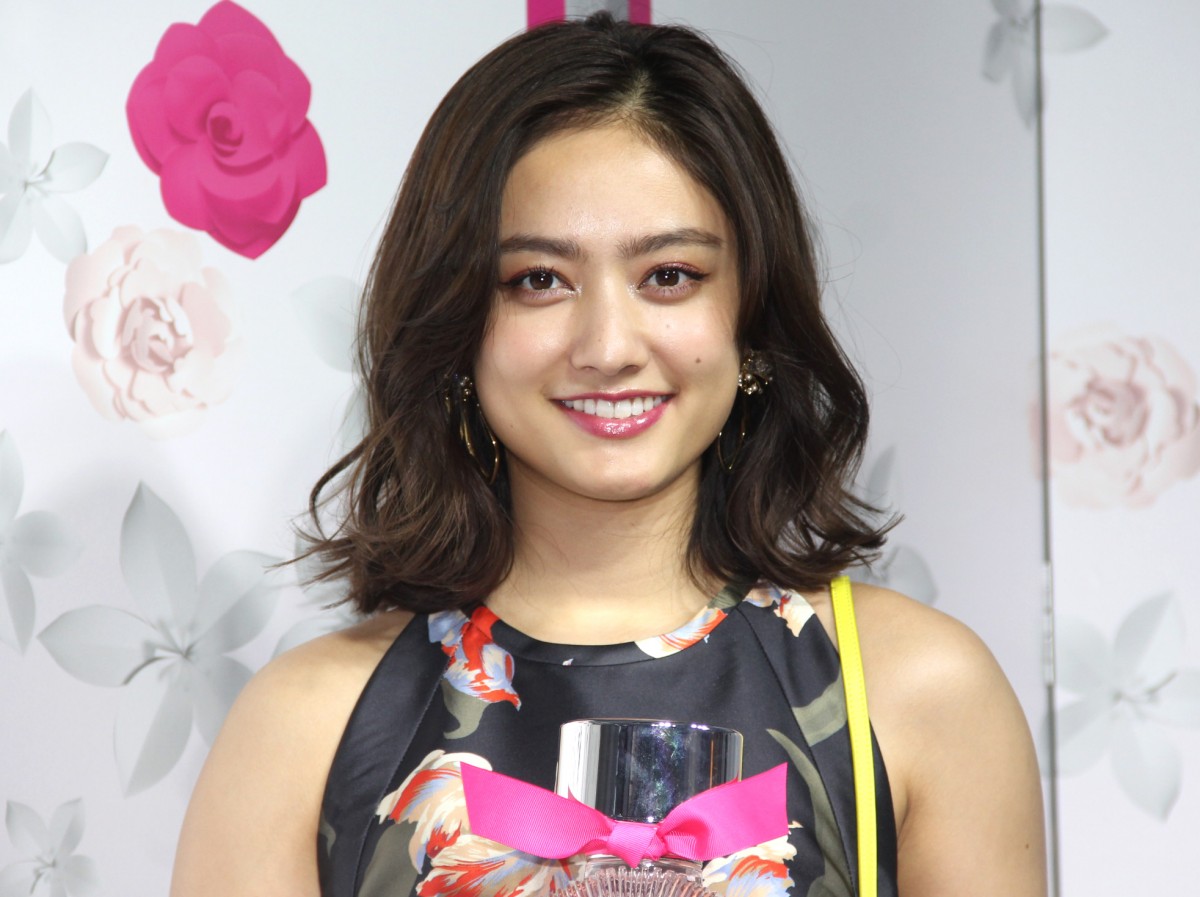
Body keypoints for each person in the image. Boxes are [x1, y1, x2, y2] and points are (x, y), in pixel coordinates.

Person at [170, 13, 1046, 897]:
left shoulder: (919, 694)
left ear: (752, 319)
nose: (608, 346)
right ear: (458, 327)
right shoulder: (305, 729)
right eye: (539, 280)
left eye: (669, 275)